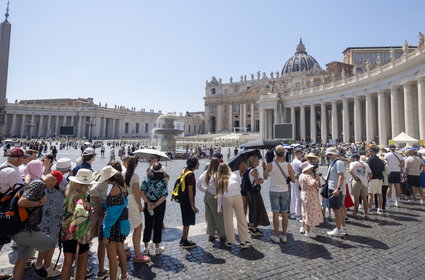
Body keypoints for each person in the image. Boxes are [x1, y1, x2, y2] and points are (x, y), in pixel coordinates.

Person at [11, 172, 62, 279]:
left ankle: (33, 267)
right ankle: (38, 265)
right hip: (26, 228)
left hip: (24, 227)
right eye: (55, 183)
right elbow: (22, 202)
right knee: (50, 241)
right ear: (52, 180)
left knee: (22, 259)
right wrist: (39, 203)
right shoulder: (39, 184)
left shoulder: (38, 182)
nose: (54, 186)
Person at [60, 169, 94, 280]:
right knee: (82, 261)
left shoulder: (69, 194)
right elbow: (80, 217)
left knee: (67, 263)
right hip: (79, 234)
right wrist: (88, 210)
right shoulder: (81, 198)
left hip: (66, 232)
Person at [99, 166, 130, 280]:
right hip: (121, 224)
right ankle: (124, 275)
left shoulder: (114, 189)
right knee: (121, 250)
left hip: (112, 226)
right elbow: (122, 204)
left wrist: (105, 233)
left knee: (111, 257)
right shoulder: (123, 186)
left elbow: (111, 215)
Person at [0, 148, 27, 280]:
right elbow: (20, 191)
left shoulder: (3, 167)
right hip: (5, 211)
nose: (24, 160)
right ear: (17, 160)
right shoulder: (11, 172)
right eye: (23, 158)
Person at [263, 145, 295, 243]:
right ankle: (284, 235)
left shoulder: (270, 165)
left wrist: (264, 168)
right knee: (285, 213)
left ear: (274, 153)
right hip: (285, 191)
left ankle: (276, 235)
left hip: (274, 191)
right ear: (284, 153)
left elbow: (265, 177)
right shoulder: (288, 165)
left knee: (275, 213)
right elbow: (293, 180)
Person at [216, 163, 251, 248]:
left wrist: (219, 207)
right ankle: (244, 240)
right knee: (241, 218)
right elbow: (239, 187)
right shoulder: (234, 175)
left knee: (228, 221)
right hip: (237, 196)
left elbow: (219, 195)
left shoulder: (220, 178)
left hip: (227, 198)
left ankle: (230, 241)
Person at [122, 156, 150, 263]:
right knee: (138, 226)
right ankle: (137, 254)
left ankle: (121, 252)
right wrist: (140, 206)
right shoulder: (135, 176)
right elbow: (136, 193)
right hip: (132, 201)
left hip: (123, 201)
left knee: (123, 226)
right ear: (136, 165)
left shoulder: (121, 175)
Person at [140, 162, 168, 255]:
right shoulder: (163, 181)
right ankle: (157, 247)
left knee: (147, 225)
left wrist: (148, 202)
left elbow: (141, 192)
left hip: (148, 204)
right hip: (159, 205)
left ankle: (145, 247)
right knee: (158, 225)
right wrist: (155, 205)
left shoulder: (146, 179)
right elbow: (164, 196)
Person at [196, 158, 226, 241]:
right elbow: (220, 189)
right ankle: (222, 234)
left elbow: (198, 183)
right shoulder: (218, 174)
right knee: (218, 215)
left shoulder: (207, 172)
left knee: (210, 216)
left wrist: (205, 190)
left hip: (207, 195)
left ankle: (211, 234)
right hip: (215, 195)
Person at [244, 155, 270, 235]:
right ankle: (254, 228)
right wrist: (261, 180)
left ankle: (252, 226)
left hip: (250, 192)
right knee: (256, 209)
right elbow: (258, 182)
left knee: (252, 209)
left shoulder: (248, 169)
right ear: (253, 162)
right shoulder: (254, 170)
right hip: (254, 192)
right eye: (257, 160)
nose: (258, 162)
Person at [325, 148, 346, 237]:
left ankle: (338, 229)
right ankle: (341, 227)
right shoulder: (334, 162)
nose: (328, 156)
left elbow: (341, 176)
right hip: (333, 187)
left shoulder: (338, 162)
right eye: (327, 155)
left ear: (334, 154)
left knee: (336, 210)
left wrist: (338, 188)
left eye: (329, 155)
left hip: (335, 189)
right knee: (338, 208)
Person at [179, 157, 199, 249]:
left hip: (182, 199)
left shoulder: (184, 170)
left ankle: (183, 238)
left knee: (185, 219)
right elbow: (190, 191)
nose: (198, 164)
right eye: (197, 163)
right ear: (194, 165)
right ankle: (185, 242)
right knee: (187, 221)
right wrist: (193, 206)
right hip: (187, 200)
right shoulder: (190, 175)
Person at [299, 161, 323, 237]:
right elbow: (314, 184)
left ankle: (302, 227)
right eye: (310, 168)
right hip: (309, 196)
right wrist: (317, 176)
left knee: (305, 212)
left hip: (304, 194)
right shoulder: (307, 176)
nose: (311, 169)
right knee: (309, 213)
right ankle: (308, 231)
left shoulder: (301, 175)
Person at [349, 154, 372, 219]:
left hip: (356, 182)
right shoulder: (365, 164)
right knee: (365, 199)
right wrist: (368, 181)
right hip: (364, 182)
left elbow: (350, 171)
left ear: (355, 158)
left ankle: (355, 213)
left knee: (356, 199)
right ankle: (366, 214)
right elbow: (370, 174)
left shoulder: (352, 163)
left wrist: (355, 177)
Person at [367, 147, 385, 214]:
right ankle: (380, 208)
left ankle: (370, 207)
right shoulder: (380, 160)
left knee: (370, 194)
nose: (369, 152)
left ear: (373, 152)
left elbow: (368, 169)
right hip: (379, 178)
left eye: (370, 151)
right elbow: (383, 169)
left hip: (372, 178)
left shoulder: (370, 159)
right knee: (379, 194)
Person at [290, 149, 303, 220]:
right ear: (298, 154)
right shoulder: (298, 162)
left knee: (293, 197)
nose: (301, 156)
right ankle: (298, 214)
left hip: (292, 180)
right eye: (301, 154)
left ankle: (292, 212)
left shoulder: (292, 161)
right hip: (297, 180)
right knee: (298, 197)